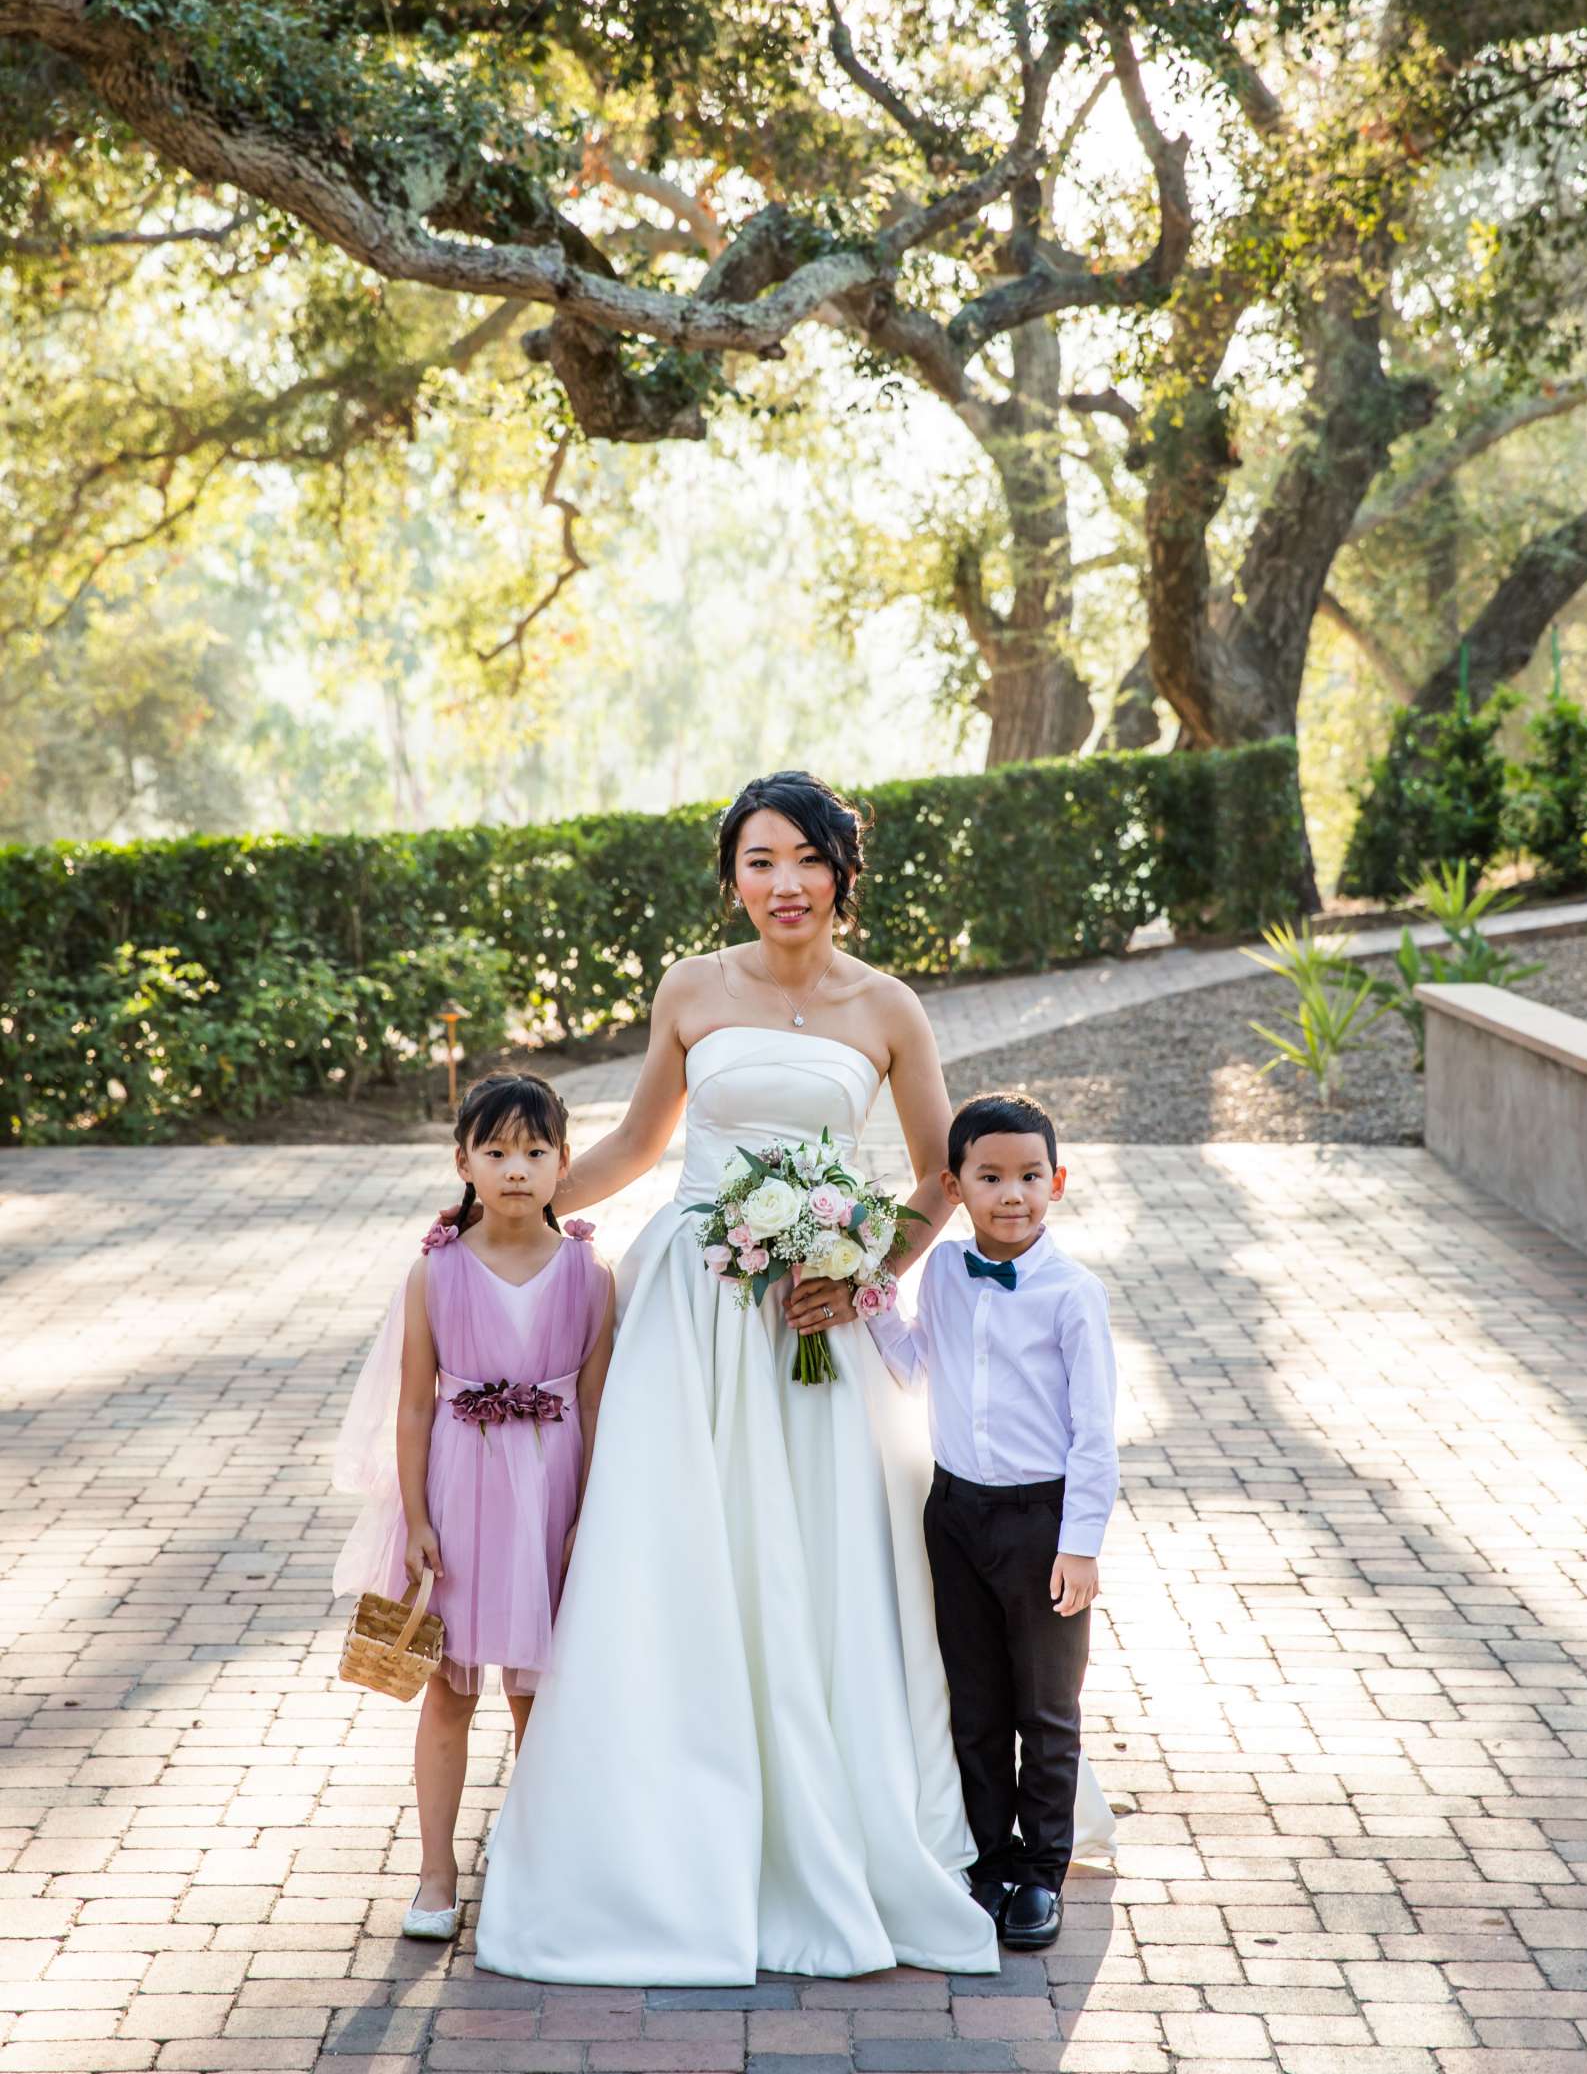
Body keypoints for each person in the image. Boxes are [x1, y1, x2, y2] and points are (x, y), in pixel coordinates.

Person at [472, 769, 1112, 1986]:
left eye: (806, 860)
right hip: (691, 1314)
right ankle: (667, 1825)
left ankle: (873, 1811)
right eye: (760, 861)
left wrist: (864, 1267)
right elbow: (640, 1144)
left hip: (817, 1310)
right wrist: (510, 1201)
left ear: (841, 874)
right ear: (733, 875)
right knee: (674, 1549)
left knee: (828, 1560)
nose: (784, 885)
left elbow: (939, 1174)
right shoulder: (690, 989)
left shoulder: (888, 1009)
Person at [331, 1073, 613, 1941]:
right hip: (458, 1493)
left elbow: (598, 1405)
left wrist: (587, 1516)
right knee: (447, 1691)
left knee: (538, 1697)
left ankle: (538, 1859)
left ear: (565, 1162)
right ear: (464, 1162)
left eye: (535, 1152)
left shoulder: (590, 1273)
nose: (516, 1170)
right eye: (495, 1152)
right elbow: (415, 1404)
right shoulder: (437, 1270)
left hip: (551, 1493)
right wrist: (415, 1517)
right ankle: (436, 1869)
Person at [868, 1090, 1118, 1952]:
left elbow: (1095, 1434)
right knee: (972, 1700)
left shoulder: (1073, 1294)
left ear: (1057, 1182)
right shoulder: (939, 1272)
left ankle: (1042, 1874)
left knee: (1044, 1706)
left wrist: (1080, 1546)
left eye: (1029, 1177)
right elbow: (910, 1366)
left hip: (1042, 1521)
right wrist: (865, 1293)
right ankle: (988, 1860)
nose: (1012, 1194)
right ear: (955, 1184)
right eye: (991, 1177)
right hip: (956, 1511)